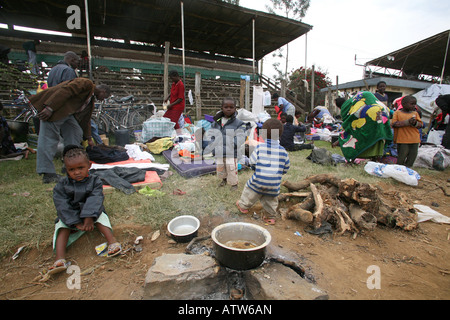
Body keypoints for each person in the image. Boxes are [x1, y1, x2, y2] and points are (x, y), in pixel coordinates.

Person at [48, 145, 121, 275]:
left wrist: (89, 217)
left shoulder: (95, 181)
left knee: (102, 218)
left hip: (92, 212)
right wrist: (75, 222)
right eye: (71, 169)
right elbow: (62, 206)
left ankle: (113, 242)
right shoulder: (61, 186)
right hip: (71, 214)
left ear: (89, 165)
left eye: (80, 168)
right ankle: (59, 259)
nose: (76, 172)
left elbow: (95, 199)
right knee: (61, 227)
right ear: (66, 169)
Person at [30, 78, 110, 183]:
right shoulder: (86, 83)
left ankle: (70, 164)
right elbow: (65, 91)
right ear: (103, 91)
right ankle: (47, 173)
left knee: (75, 131)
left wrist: (89, 138)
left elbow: (86, 120)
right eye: (105, 97)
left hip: (65, 114)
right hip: (54, 110)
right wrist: (50, 108)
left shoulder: (90, 100)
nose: (103, 100)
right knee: (48, 138)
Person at [236, 118, 290, 221]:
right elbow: (286, 167)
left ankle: (243, 206)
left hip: (258, 182)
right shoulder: (283, 151)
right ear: (280, 135)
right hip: (274, 185)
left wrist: (255, 168)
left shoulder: (260, 148)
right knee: (271, 200)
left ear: (263, 135)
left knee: (250, 191)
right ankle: (270, 217)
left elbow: (252, 162)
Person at [337, 91, 393, 162]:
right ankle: (376, 159)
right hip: (381, 120)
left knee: (356, 134)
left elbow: (347, 123)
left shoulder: (347, 106)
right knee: (377, 137)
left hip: (370, 118)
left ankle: (352, 159)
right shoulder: (377, 104)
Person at [207, 97, 248, 189]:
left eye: (231, 107)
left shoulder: (239, 123)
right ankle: (223, 180)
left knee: (231, 168)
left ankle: (234, 184)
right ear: (222, 108)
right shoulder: (216, 122)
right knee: (221, 167)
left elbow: (241, 137)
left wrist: (232, 145)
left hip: (231, 151)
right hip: (219, 151)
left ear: (235, 109)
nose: (229, 109)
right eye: (226, 107)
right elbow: (212, 136)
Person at [391, 95, 423, 167]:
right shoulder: (397, 113)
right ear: (404, 104)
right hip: (402, 139)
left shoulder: (415, 113)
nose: (414, 106)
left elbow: (421, 125)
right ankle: (399, 169)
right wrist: (407, 122)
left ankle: (408, 168)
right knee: (401, 156)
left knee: (412, 156)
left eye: (415, 104)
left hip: (414, 139)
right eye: (412, 104)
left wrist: (415, 123)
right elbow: (394, 124)